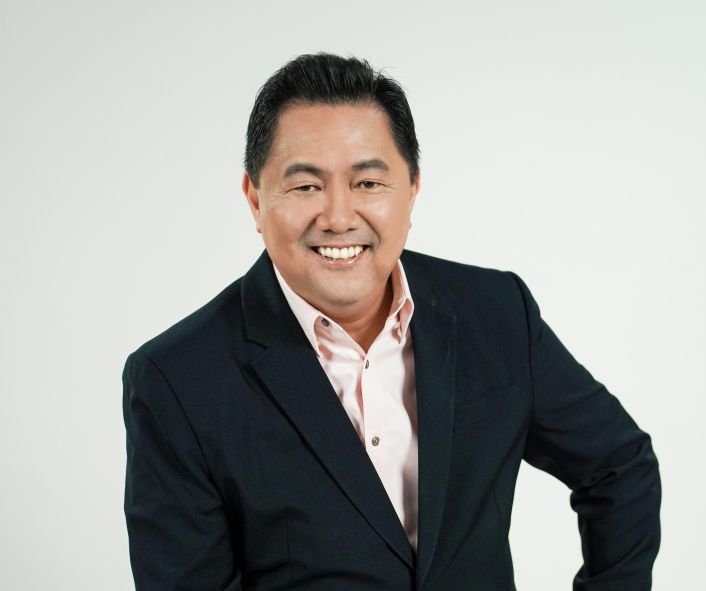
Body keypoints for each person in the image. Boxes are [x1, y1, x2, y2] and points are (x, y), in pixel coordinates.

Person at [123, 53, 661, 590]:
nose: (338, 217)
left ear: (412, 190)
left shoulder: (496, 312)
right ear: (255, 200)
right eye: (306, 186)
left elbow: (619, 465)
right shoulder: (177, 380)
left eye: (368, 183)